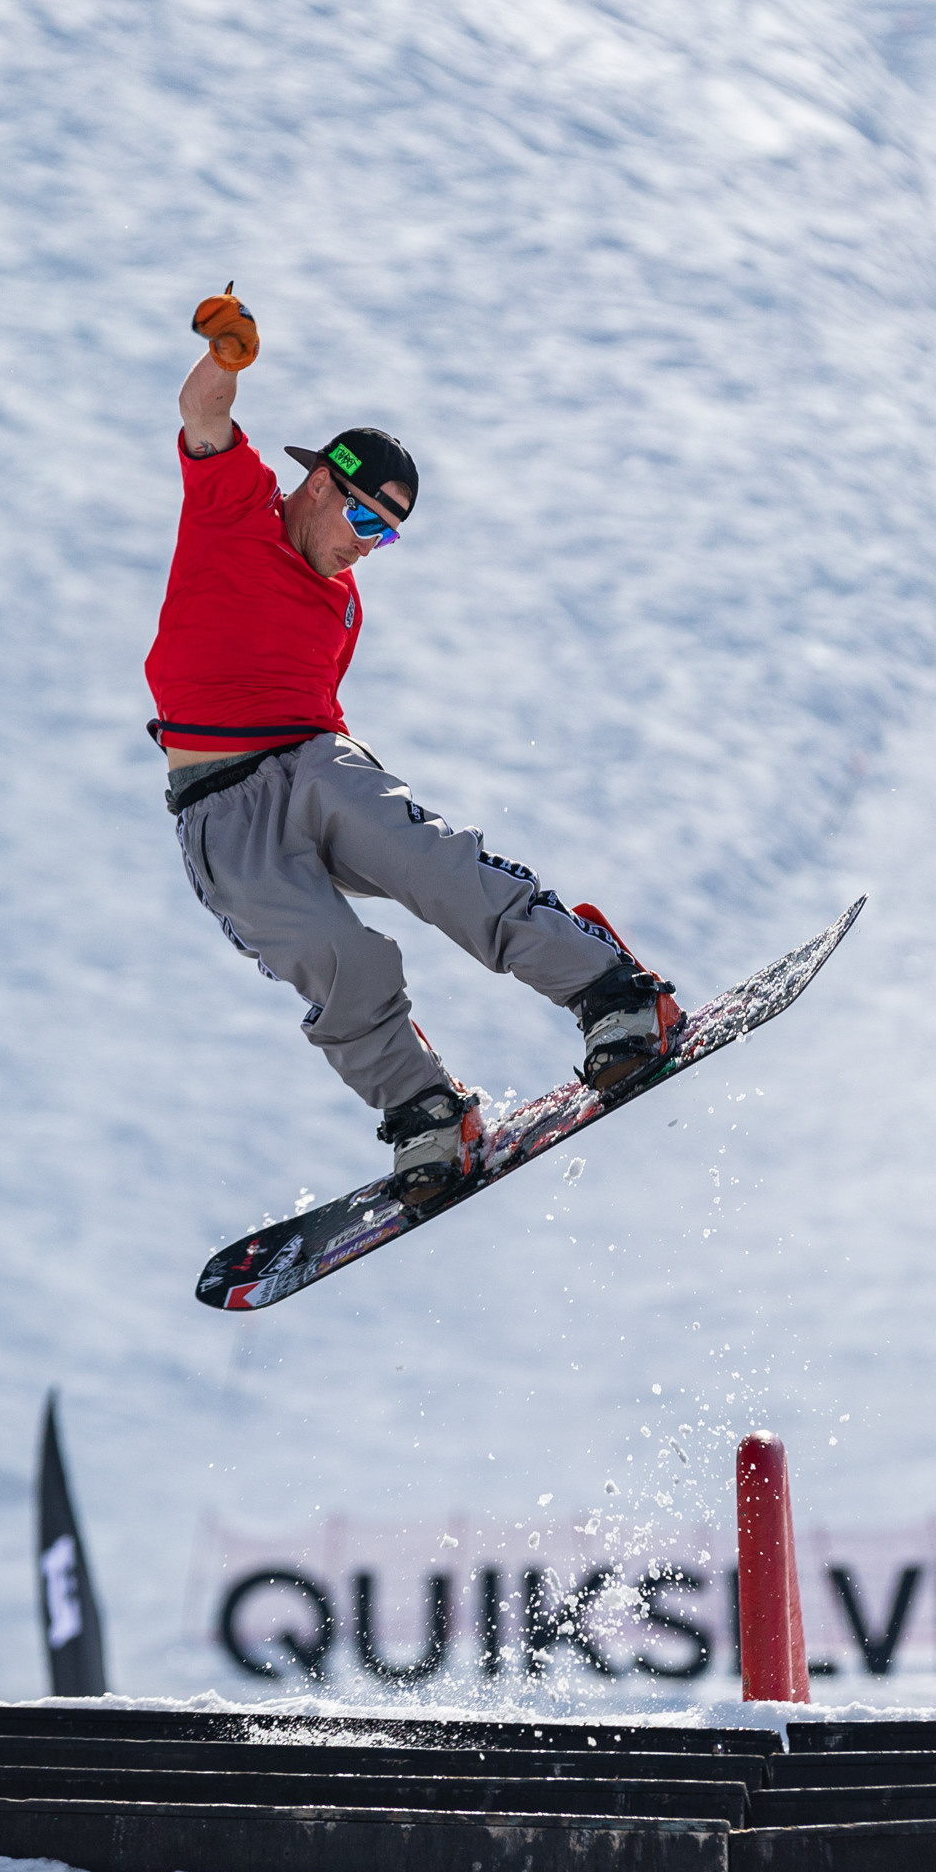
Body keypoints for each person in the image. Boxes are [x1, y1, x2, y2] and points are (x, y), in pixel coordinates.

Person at [146, 289, 678, 1201]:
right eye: (364, 520)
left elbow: (324, 721)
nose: (369, 548)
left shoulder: (343, 606)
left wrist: (366, 810)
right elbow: (203, 414)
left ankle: (615, 996)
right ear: (320, 485)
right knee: (332, 956)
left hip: (311, 763)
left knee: (429, 862)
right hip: (215, 809)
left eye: (387, 536)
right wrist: (228, 358)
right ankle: (429, 1116)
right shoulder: (234, 508)